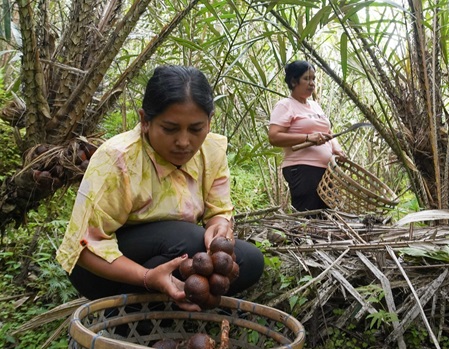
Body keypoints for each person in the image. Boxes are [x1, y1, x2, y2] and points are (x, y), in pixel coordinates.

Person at [56, 65, 264, 311]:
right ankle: (122, 315)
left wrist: (219, 230)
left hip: (169, 254)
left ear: (209, 122)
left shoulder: (211, 151)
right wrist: (147, 276)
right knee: (188, 239)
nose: (184, 142)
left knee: (249, 261)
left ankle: (163, 316)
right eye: (170, 129)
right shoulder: (119, 159)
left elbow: (219, 212)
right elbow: (83, 248)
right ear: (145, 121)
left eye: (196, 129)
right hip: (102, 273)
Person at [268, 60, 346, 212]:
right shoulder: (285, 105)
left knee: (328, 217)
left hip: (327, 170)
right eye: (306, 79)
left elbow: (328, 132)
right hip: (302, 169)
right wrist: (307, 138)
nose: (311, 83)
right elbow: (274, 137)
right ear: (293, 81)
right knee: (308, 217)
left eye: (313, 79)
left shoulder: (315, 106)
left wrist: (336, 148)